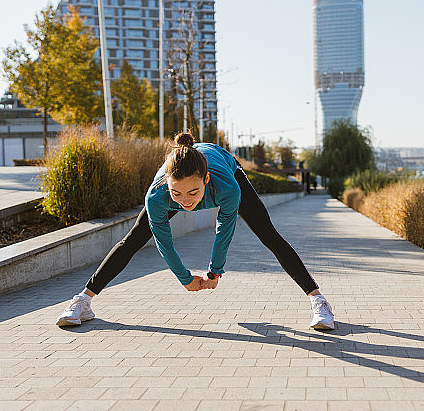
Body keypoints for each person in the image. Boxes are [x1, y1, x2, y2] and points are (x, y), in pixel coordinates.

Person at [56, 132, 335, 330]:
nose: (186, 201)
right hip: (182, 173)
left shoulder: (226, 187)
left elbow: (223, 229)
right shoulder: (158, 197)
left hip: (226, 166)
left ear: (206, 180)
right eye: (177, 193)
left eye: (193, 192)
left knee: (268, 235)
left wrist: (215, 271)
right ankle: (83, 301)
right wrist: (184, 278)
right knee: (132, 240)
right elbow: (164, 242)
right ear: (167, 184)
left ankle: (318, 300)